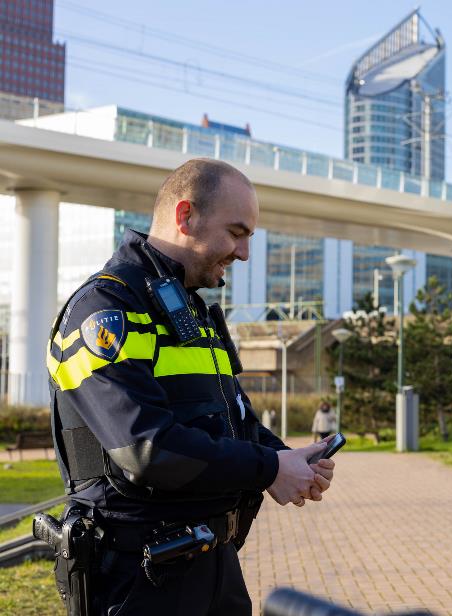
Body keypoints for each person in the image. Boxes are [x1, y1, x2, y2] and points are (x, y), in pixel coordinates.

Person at [45, 158, 336, 615]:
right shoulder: (106, 310)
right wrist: (268, 469)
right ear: (185, 217)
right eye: (236, 233)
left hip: (211, 564)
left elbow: (233, 421)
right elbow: (144, 448)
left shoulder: (191, 312)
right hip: (137, 578)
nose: (243, 253)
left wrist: (286, 457)